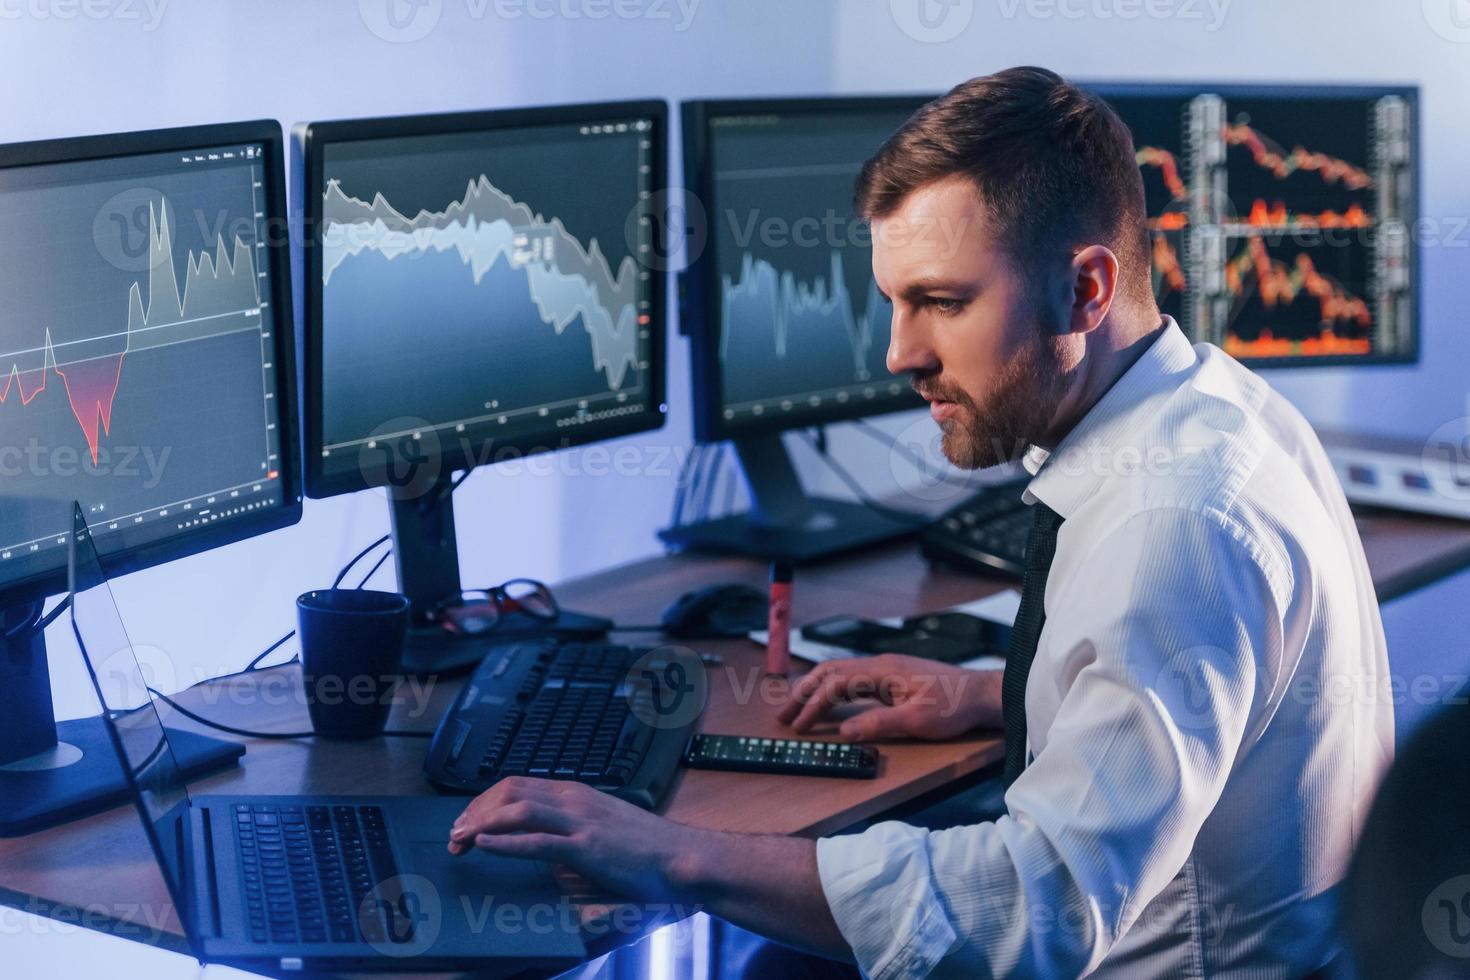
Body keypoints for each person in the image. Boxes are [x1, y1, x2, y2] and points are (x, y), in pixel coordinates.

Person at [447, 66, 1393, 978]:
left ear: (1088, 289)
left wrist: (668, 853)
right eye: (895, 302)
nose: (901, 353)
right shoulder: (1218, 406)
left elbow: (1039, 911)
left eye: (943, 302)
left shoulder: (1172, 522)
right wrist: (997, 694)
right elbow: (1201, 699)